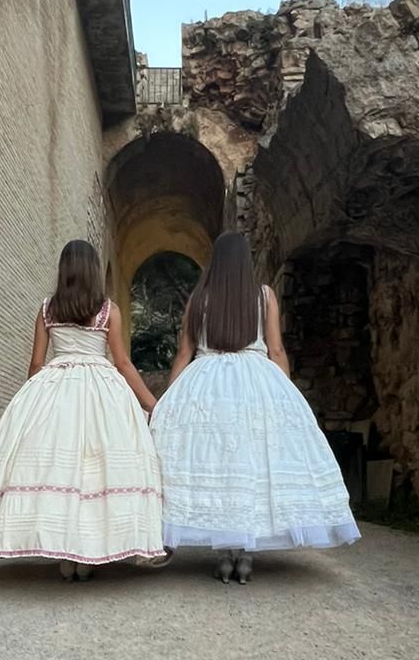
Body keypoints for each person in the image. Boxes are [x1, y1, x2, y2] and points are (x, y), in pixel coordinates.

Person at [0, 240, 165, 579]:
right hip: (101, 390)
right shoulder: (108, 310)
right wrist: (151, 403)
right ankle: (87, 555)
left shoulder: (47, 309)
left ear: (64, 271)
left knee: (54, 469)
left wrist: (35, 400)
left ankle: (64, 556)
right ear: (92, 272)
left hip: (54, 385)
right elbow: (122, 363)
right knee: (95, 471)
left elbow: (35, 364)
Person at [151, 231, 359, 583]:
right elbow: (276, 350)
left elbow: (185, 353)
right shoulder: (264, 297)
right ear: (246, 262)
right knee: (250, 463)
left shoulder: (198, 299)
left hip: (206, 381)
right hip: (255, 380)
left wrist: (168, 401)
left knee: (217, 463)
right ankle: (244, 557)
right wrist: (285, 392)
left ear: (216, 262)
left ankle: (223, 554)